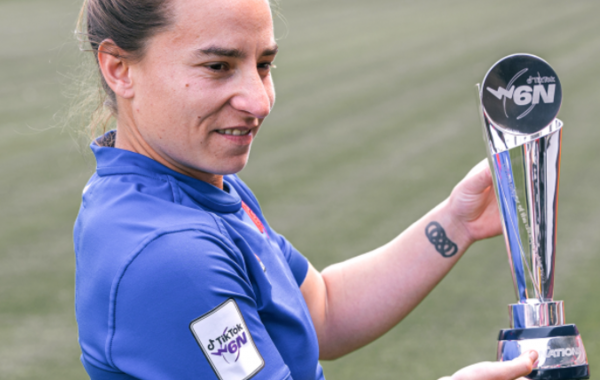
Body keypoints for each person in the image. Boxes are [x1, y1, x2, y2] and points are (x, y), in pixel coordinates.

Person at [72, 0, 538, 379]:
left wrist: (456, 222)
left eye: (265, 64)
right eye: (218, 65)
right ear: (119, 68)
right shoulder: (170, 254)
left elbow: (322, 310)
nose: (259, 101)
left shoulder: (196, 187)